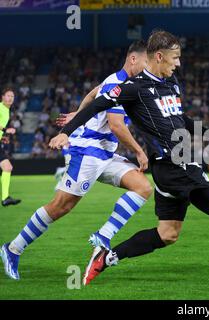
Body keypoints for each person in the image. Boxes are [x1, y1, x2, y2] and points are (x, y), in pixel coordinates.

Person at [49, 30, 209, 285]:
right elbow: (96, 104)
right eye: (175, 58)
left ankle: (107, 258)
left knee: (168, 233)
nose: (179, 63)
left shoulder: (171, 84)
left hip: (173, 166)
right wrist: (65, 133)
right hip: (175, 166)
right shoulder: (132, 88)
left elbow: (179, 120)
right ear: (159, 56)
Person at [0, 41, 152, 280]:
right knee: (61, 206)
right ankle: (12, 249)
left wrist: (78, 115)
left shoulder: (116, 80)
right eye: (146, 62)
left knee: (143, 187)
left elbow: (92, 94)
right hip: (88, 151)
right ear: (133, 59)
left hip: (105, 153)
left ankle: (104, 235)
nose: (147, 68)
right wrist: (139, 151)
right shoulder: (117, 83)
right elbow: (116, 125)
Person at [0, 88, 21, 206]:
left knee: (7, 167)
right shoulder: (0, 107)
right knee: (7, 167)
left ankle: (5, 198)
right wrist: (5, 130)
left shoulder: (7, 110)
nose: (10, 98)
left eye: (12, 96)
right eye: (8, 96)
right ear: (2, 97)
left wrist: (2, 137)